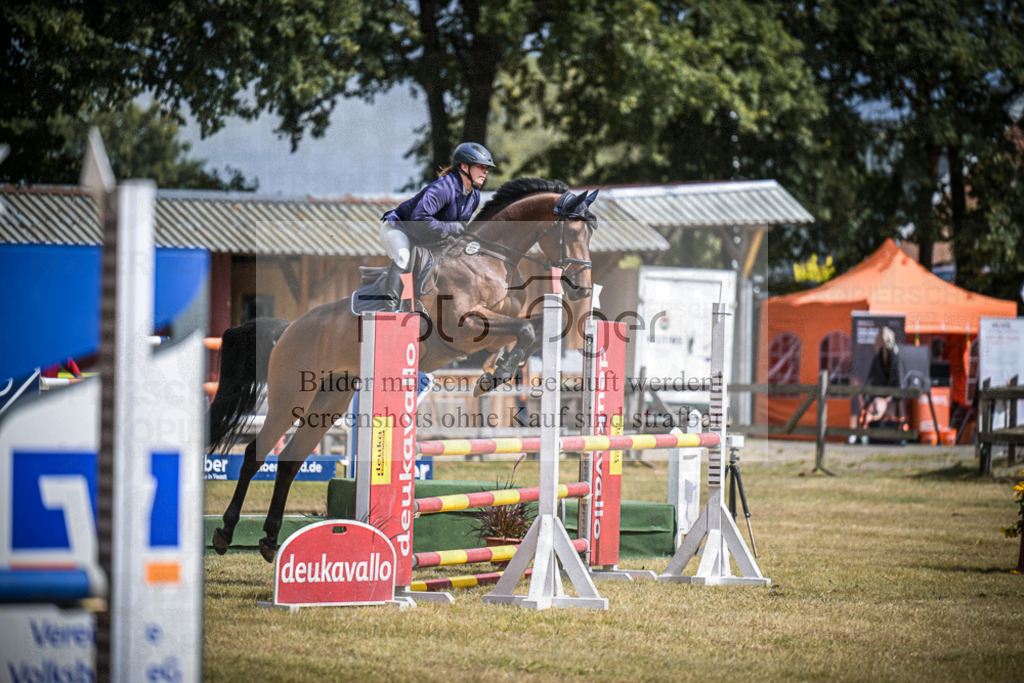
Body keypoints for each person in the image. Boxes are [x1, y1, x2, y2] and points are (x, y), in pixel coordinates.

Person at [378, 142, 496, 311]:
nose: (485, 171)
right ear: (464, 167)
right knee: (403, 256)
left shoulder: (474, 195)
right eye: (480, 167)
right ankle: (389, 310)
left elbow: (459, 227)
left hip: (424, 237)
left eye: (486, 168)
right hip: (399, 229)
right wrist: (450, 228)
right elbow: (418, 218)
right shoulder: (443, 188)